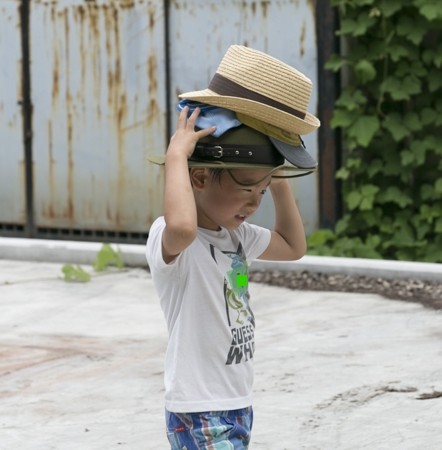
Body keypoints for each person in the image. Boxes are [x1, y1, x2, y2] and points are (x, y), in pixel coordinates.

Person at [145, 45, 320, 449]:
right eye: (246, 189)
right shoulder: (174, 242)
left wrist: (274, 178)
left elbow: (293, 247)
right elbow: (184, 226)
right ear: (201, 178)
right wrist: (177, 157)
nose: (254, 203)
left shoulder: (235, 236)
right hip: (200, 408)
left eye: (262, 190)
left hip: (237, 401)